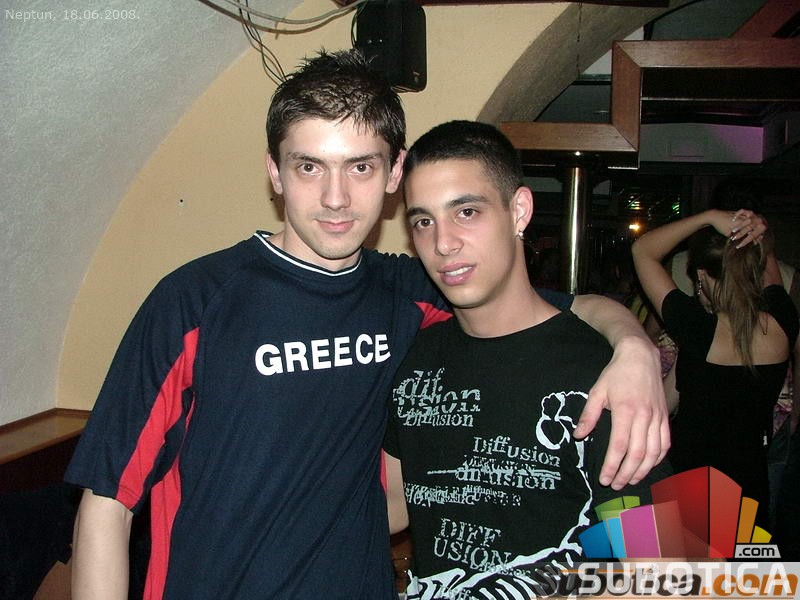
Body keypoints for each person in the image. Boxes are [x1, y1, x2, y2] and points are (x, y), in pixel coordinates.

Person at [65, 51, 667, 600]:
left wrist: (634, 349)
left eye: (359, 167)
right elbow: (106, 502)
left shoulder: (410, 293)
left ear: (392, 173)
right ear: (274, 172)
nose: (335, 198)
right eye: (309, 167)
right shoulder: (195, 302)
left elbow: (553, 306)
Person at [383, 121, 672, 599]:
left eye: (467, 212)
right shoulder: (416, 360)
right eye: (423, 221)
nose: (443, 243)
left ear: (519, 210)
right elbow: (395, 502)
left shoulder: (601, 373)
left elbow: (652, 562)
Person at [632, 208, 798, 528]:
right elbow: (768, 263)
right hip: (749, 483)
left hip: (690, 482)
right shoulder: (783, 320)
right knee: (742, 561)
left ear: (702, 277)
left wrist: (707, 217)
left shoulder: (697, 329)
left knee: (686, 562)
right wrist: (757, 229)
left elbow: (643, 250)